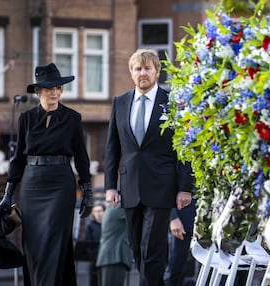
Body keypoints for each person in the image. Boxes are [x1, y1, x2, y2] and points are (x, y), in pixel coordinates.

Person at [0, 62, 94, 286]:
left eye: (58, 88)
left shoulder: (72, 118)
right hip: (32, 186)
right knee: (34, 245)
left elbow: (81, 157)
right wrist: (7, 194)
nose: (55, 92)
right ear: (39, 91)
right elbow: (18, 158)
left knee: (54, 242)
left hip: (61, 185)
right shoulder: (26, 119)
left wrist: (87, 190)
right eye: (50, 89)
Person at [104, 48, 193, 286]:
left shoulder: (172, 102)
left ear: (157, 71)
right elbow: (113, 147)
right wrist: (110, 186)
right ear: (131, 72)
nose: (142, 73)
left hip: (161, 186)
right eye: (137, 69)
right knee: (138, 249)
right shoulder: (120, 102)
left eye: (147, 68)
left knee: (151, 248)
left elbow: (183, 149)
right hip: (129, 186)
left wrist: (185, 187)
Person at [96, 204, 133, 286]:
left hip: (109, 257)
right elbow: (136, 211)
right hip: (114, 257)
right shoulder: (118, 208)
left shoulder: (111, 208)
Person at [164, 199, 197, 286]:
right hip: (180, 223)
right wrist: (172, 217)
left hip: (204, 221)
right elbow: (166, 189)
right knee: (174, 271)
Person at [84, 203, 106, 286]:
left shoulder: (107, 224)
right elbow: (87, 244)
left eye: (100, 211)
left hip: (106, 257)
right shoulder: (90, 226)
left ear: (104, 212)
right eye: (95, 211)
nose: (98, 213)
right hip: (95, 259)